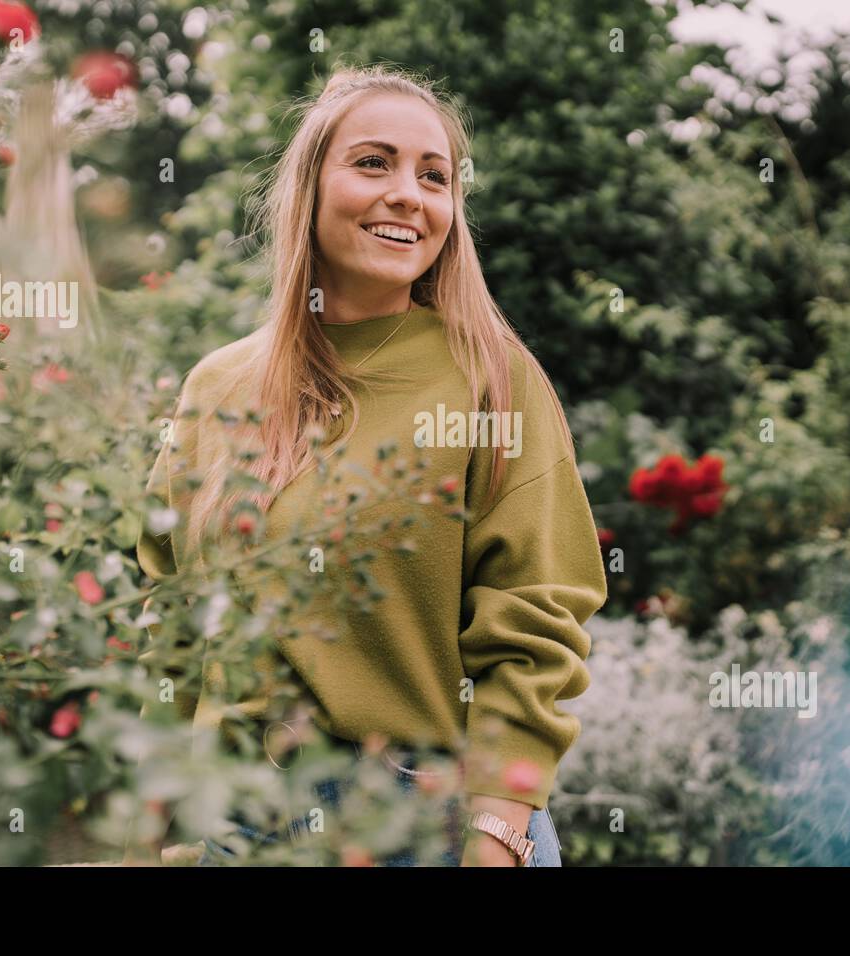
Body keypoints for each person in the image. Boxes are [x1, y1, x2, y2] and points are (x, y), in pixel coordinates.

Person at [124, 63, 606, 867]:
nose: (409, 195)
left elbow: (535, 624)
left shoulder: (491, 377)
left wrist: (499, 833)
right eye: (373, 163)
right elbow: (171, 622)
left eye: (435, 176)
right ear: (310, 188)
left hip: (433, 825)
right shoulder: (218, 387)